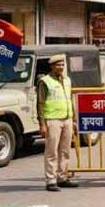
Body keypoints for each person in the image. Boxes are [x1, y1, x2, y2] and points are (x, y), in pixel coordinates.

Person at [37, 54, 78, 192]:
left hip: (67, 119)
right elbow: (41, 103)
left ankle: (62, 177)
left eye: (62, 65)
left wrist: (74, 120)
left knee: (65, 151)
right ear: (52, 66)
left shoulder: (67, 80)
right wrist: (42, 124)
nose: (60, 67)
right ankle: (51, 180)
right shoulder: (45, 81)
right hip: (52, 120)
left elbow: (70, 100)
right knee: (51, 151)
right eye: (57, 65)